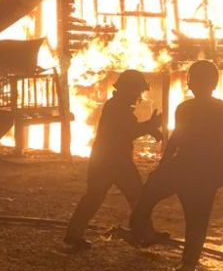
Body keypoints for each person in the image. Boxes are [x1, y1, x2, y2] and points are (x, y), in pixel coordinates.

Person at [128, 60, 223, 271]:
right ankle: (185, 262)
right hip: (204, 168)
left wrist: (164, 165)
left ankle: (145, 233)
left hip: (186, 166)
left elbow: (177, 139)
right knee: (197, 217)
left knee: (152, 196)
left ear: (191, 83)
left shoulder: (186, 108)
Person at [64, 69, 163, 250]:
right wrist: (150, 126)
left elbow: (129, 129)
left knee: (94, 197)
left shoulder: (116, 106)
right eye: (137, 91)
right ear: (129, 90)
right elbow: (128, 131)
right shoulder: (117, 108)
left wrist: (150, 127)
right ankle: (144, 234)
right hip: (116, 162)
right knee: (137, 197)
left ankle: (74, 234)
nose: (138, 96)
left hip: (103, 159)